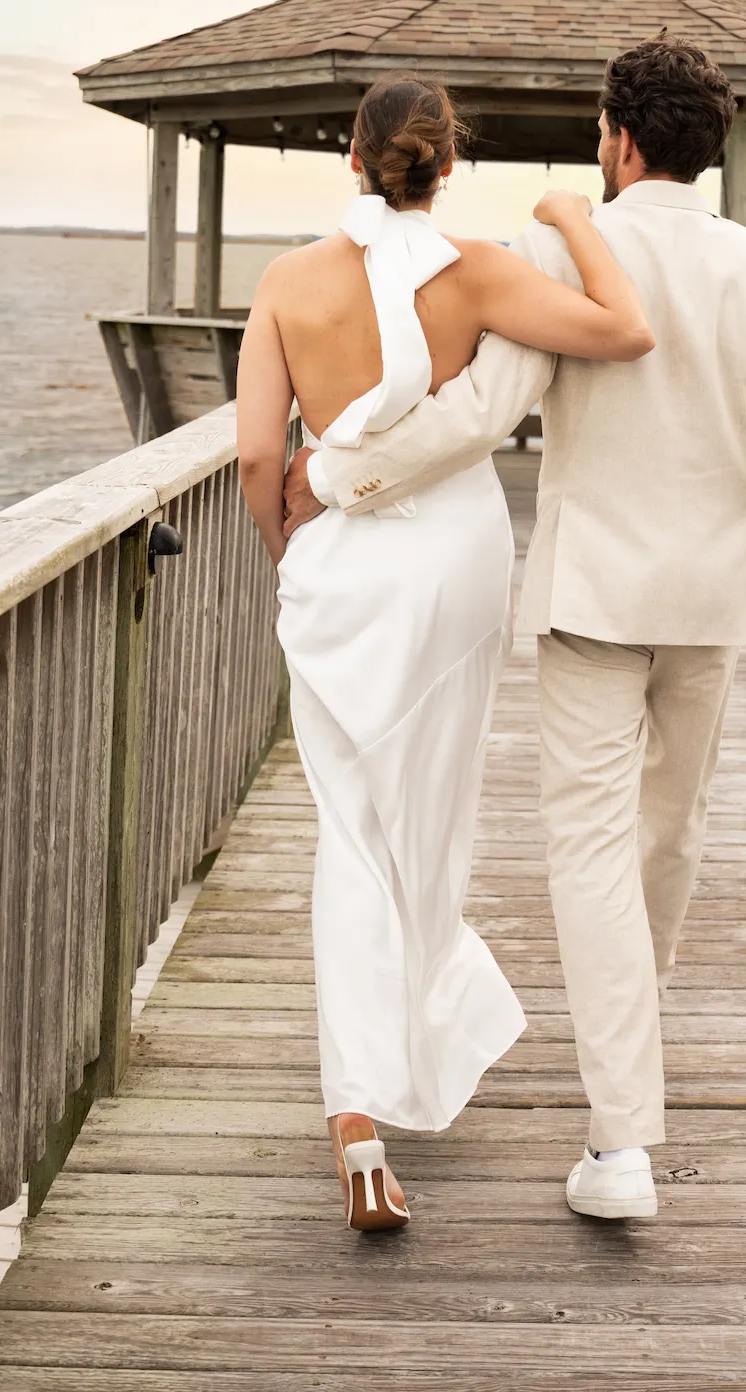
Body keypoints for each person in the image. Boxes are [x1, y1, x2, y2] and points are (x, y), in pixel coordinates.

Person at [283, 36, 746, 1221]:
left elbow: (479, 412)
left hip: (594, 598)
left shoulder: (557, 249)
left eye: (602, 127)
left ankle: (625, 1146)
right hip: (711, 602)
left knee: (591, 853)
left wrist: (342, 478)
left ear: (621, 139)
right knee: (670, 842)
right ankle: (617, 1118)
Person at [235, 73, 653, 1232]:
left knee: (348, 827)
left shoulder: (285, 283)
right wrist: (576, 222)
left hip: (342, 569)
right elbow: (626, 330)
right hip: (457, 562)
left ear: (353, 160)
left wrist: (288, 553)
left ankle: (355, 1116)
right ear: (450, 166)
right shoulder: (476, 271)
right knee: (430, 816)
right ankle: (410, 1036)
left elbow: (259, 459)